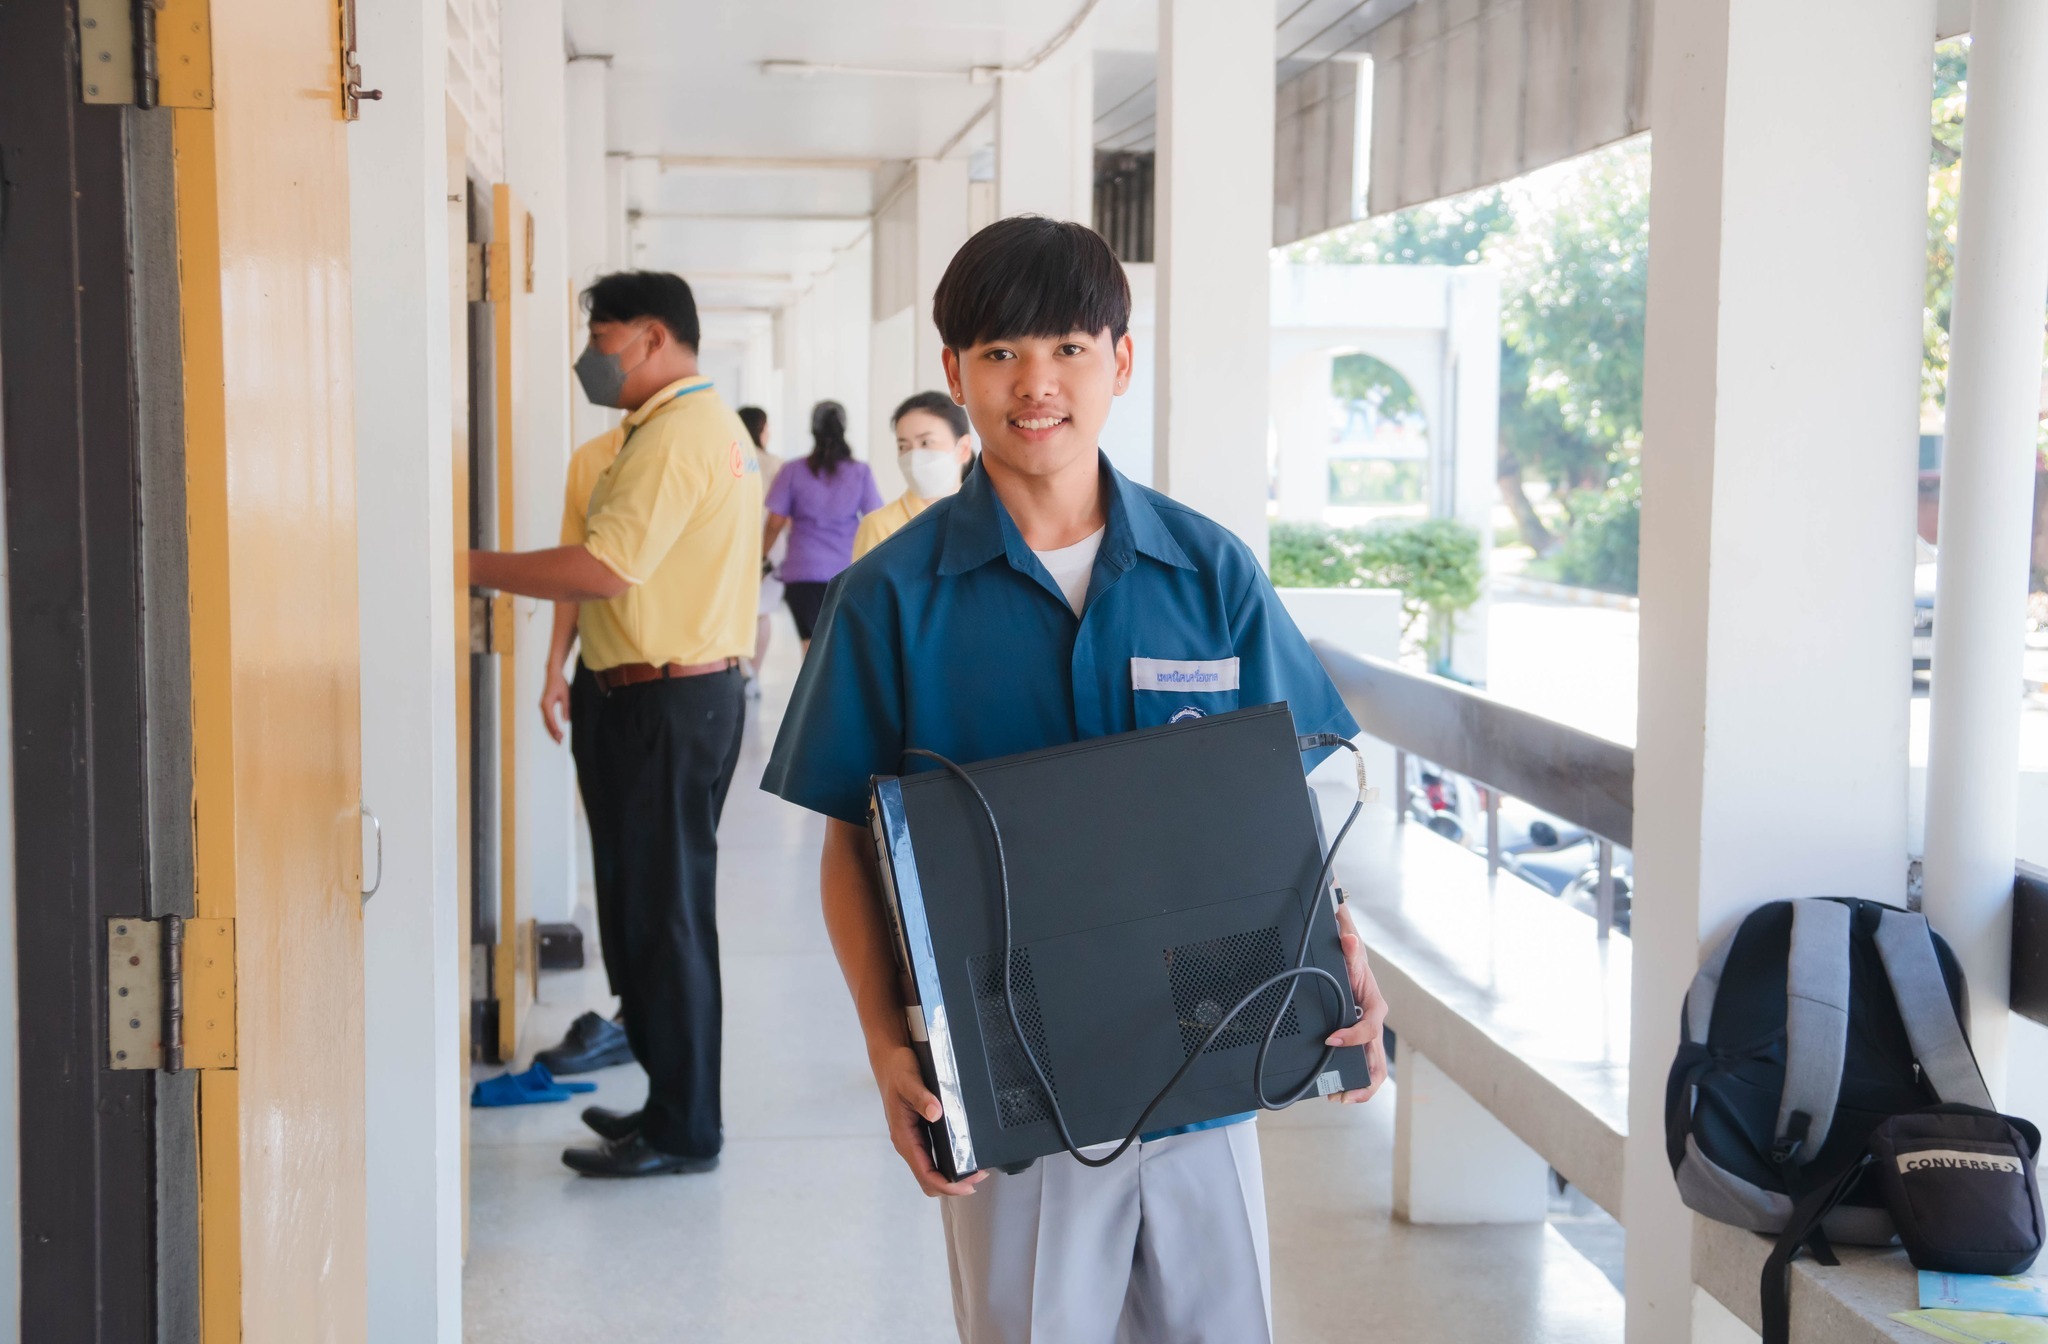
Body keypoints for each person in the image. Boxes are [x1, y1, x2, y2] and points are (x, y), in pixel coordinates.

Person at [761, 217, 1391, 1342]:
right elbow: (853, 847)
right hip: (1015, 1080)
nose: (1034, 383)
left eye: (1067, 348)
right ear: (955, 374)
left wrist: (1343, 960)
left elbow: (1276, 811)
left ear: (1120, 360)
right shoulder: (890, 599)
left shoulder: (1208, 572)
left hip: (1211, 1063)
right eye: (999, 354)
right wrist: (883, 1043)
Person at [469, 269, 761, 1178]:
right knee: (645, 913)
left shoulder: (681, 435)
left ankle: (686, 1129)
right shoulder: (665, 431)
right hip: (642, 692)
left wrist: (469, 563)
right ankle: (668, 1107)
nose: (592, 354)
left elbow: (603, 569)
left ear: (650, 336)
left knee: (666, 918)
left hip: (666, 701)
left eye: (602, 335)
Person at [530, 421, 636, 1077]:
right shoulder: (591, 459)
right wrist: (554, 670)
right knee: (615, 862)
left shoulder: (701, 443)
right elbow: (578, 568)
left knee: (663, 883)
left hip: (678, 690)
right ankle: (629, 1011)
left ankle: (645, 1024)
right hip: (601, 681)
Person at [762, 400, 881, 651]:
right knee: (840, 648)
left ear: (812, 430)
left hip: (802, 572)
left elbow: (775, 522)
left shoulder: (792, 470)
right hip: (846, 571)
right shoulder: (860, 472)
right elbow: (875, 518)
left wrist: (761, 556)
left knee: (811, 649)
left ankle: (814, 691)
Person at [852, 390, 974, 561]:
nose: (914, 456)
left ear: (963, 449)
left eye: (925, 442)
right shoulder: (879, 526)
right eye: (903, 446)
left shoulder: (989, 519)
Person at [738, 405, 784, 693]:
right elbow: (783, 515)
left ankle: (740, 668)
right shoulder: (776, 464)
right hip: (770, 546)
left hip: (734, 544)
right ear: (761, 429)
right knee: (762, 612)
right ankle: (753, 675)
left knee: (735, 609)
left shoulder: (730, 460)